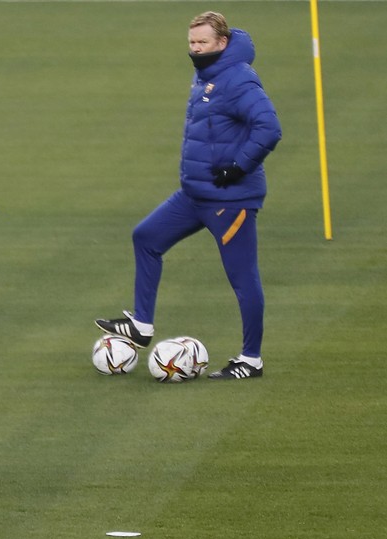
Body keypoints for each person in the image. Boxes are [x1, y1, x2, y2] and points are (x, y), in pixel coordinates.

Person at [95, 11, 282, 380]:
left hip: (230, 201)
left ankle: (251, 359)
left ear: (222, 43)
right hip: (195, 195)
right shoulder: (207, 74)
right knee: (146, 237)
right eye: (192, 44)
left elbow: (269, 127)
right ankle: (142, 325)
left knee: (243, 279)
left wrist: (238, 167)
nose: (196, 50)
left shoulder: (238, 80)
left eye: (203, 43)